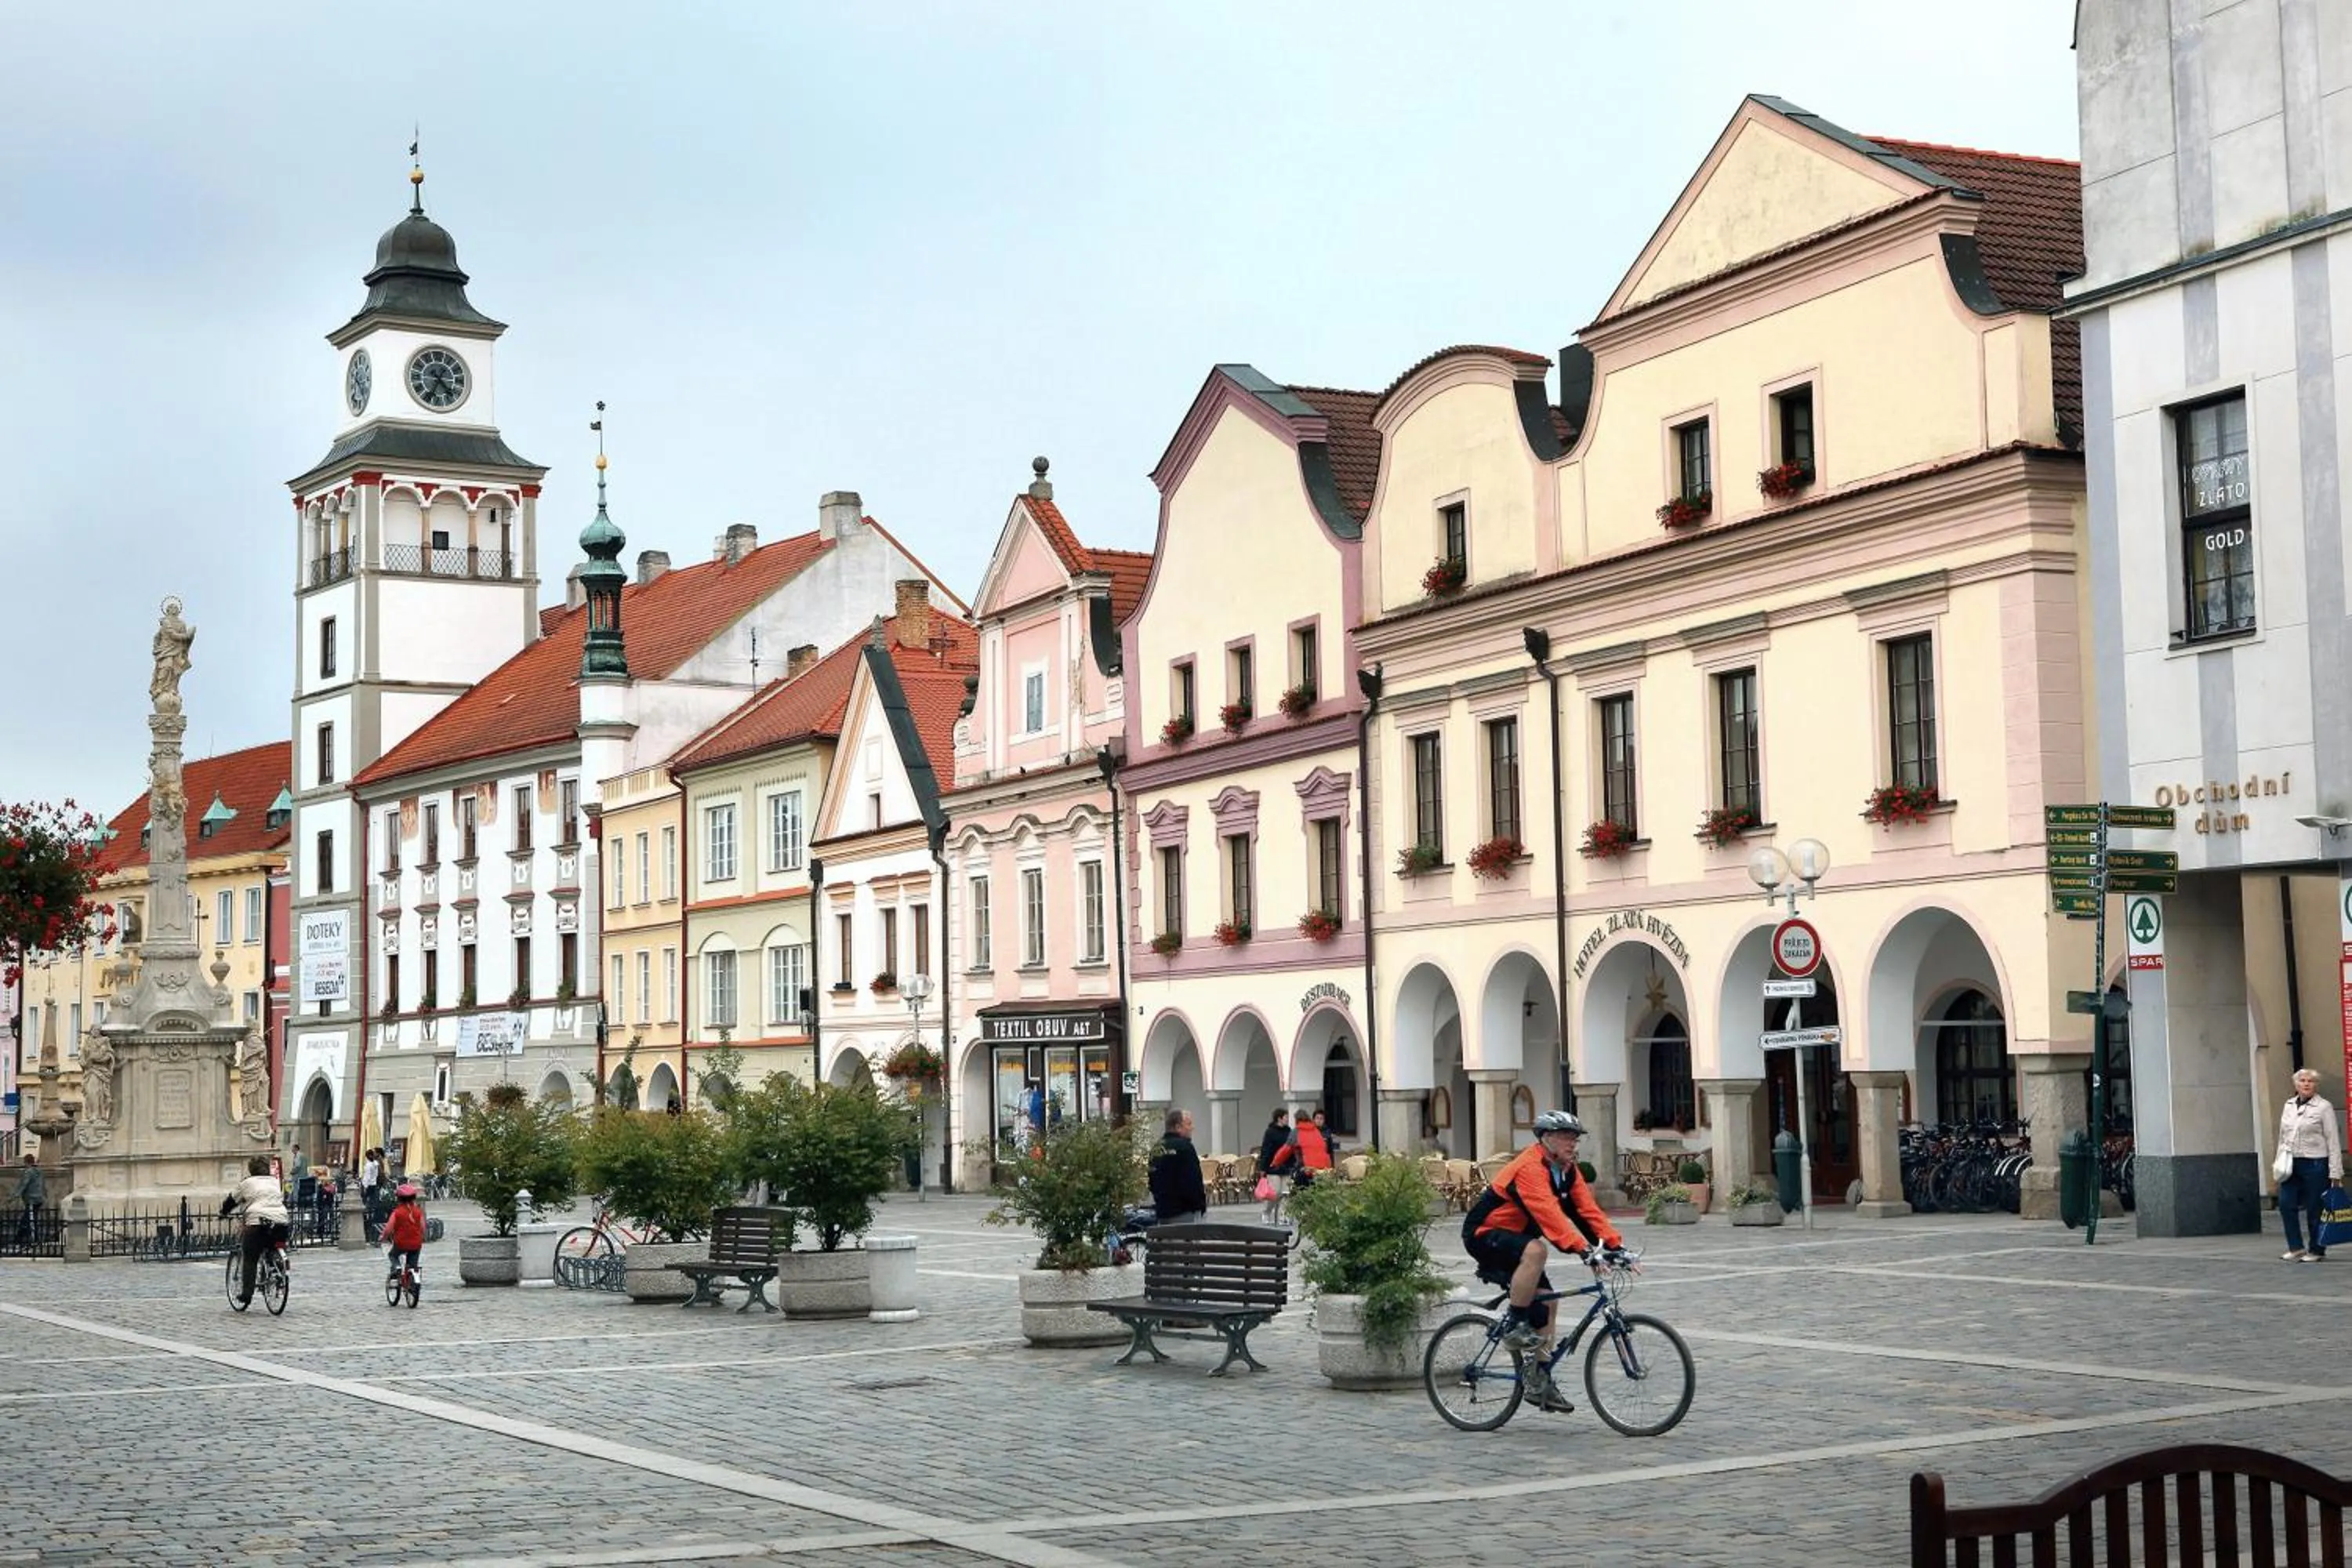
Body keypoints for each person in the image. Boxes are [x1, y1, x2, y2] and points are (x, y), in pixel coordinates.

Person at [1461, 1110, 1626, 1414]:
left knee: (1548, 1302)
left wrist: (1616, 1247)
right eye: (1565, 1137)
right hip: (1485, 1234)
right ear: (1546, 1138)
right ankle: (1515, 1323)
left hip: (1518, 1243)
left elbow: (1586, 1211)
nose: (1572, 1144)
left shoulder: (1567, 1170)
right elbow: (1549, 1214)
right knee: (1537, 1250)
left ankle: (1538, 1379)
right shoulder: (1529, 1167)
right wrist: (1583, 1250)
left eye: (1575, 1139)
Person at [2276, 1067, 2344, 1261]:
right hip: (2291, 1162)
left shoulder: (2324, 1107)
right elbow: (2283, 1136)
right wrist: (2278, 1163)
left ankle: (2316, 1249)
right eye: (2303, 1081)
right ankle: (2296, 1247)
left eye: (2310, 1081)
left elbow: (2333, 1141)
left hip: (2315, 1163)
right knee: (2286, 1204)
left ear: (2316, 1085)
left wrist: (2335, 1172)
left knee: (2315, 1208)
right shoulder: (2288, 1105)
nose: (2306, 1084)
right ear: (2296, 1084)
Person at [220, 1154, 291, 1307]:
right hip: (281, 1221)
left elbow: (231, 1200)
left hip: (257, 1224)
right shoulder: (274, 1181)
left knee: (250, 1257)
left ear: (251, 1170)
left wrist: (224, 1212)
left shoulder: (247, 1183)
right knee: (274, 1247)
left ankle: (247, 1294)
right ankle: (278, 1276)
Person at [1149, 1109, 1209, 1227]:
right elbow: (1193, 1180)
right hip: (1185, 1212)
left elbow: (1152, 1179)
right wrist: (1200, 1205)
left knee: (1169, 1244)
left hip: (1163, 1211)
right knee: (1187, 1244)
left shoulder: (1157, 1148)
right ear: (1178, 1127)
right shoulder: (1185, 1148)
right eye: (1188, 1124)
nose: (1192, 1128)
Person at [379, 1181, 428, 1295]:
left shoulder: (397, 1212)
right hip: (416, 1243)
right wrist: (420, 1237)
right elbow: (423, 1227)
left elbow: (388, 1229)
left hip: (401, 1243)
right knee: (413, 1264)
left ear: (399, 1199)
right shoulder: (418, 1212)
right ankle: (412, 1282)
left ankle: (396, 1267)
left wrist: (383, 1238)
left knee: (393, 1255)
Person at [1269, 1107, 1333, 1189]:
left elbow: (1285, 1150)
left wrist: (1275, 1162)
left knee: (1299, 1190)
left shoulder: (1296, 1131)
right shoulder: (1316, 1131)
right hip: (1322, 1169)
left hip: (1307, 1169)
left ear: (1297, 1120)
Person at [1254, 1109, 1291, 1221]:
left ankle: (1284, 1215)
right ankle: (1267, 1211)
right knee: (1275, 1192)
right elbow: (1266, 1150)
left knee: (1286, 1193)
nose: (1287, 1119)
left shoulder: (1289, 1131)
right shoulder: (1270, 1132)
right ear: (1279, 1118)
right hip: (1273, 1167)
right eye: (1286, 1117)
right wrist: (1263, 1168)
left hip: (1286, 1166)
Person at [15, 1156, 44, 1245]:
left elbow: (24, 1184)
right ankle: (20, 1238)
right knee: (28, 1218)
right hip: (39, 1198)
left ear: (26, 1162)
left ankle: (34, 1239)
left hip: (31, 1199)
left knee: (30, 1220)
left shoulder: (28, 1172)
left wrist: (15, 1195)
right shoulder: (39, 1171)